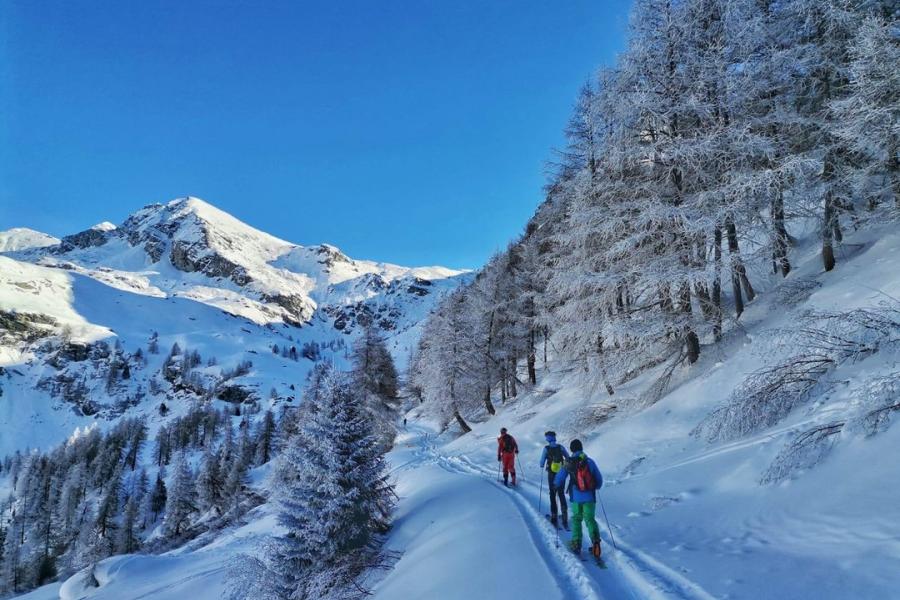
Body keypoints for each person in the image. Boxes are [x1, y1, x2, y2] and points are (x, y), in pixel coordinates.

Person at [554, 439, 604, 559]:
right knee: (590, 519)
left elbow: (560, 477)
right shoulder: (590, 461)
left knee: (577, 519)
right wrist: (593, 487)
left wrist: (556, 485)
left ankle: (576, 543)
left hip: (576, 497)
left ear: (571, 449)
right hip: (590, 497)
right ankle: (596, 542)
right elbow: (599, 480)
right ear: (581, 448)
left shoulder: (569, 462)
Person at [539, 431, 569, 528]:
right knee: (561, 493)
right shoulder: (560, 447)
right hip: (561, 473)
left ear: (548, 438)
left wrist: (542, 465)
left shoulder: (546, 448)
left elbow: (541, 462)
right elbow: (568, 457)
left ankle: (554, 516)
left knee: (552, 493)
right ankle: (565, 517)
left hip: (551, 474)